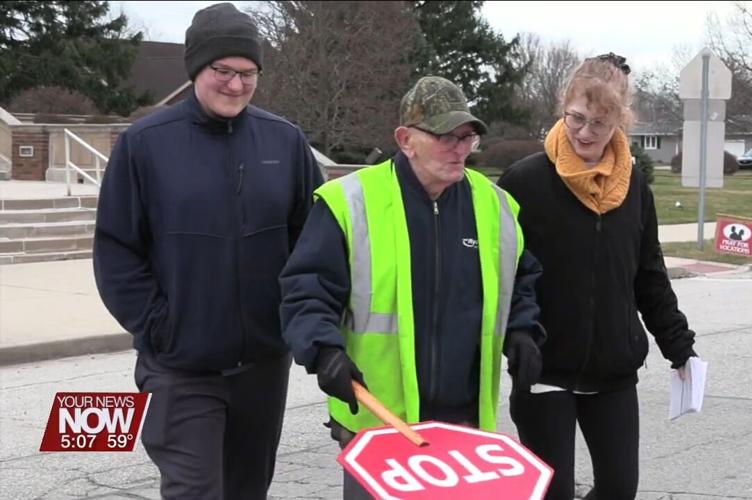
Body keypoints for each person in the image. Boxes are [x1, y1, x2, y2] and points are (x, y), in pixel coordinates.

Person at [92, 3, 324, 498]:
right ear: (197, 67)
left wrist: (292, 323)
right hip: (181, 367)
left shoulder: (285, 142)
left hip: (263, 366)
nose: (236, 85)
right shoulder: (144, 144)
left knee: (247, 490)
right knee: (194, 490)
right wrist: (161, 326)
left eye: (248, 73)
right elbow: (117, 250)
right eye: (223, 70)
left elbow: (312, 245)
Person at [279, 76, 544, 498]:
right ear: (406, 139)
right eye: (446, 136)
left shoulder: (495, 205)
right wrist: (323, 350)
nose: (460, 149)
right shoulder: (349, 202)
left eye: (468, 137)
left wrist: (522, 329)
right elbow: (306, 289)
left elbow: (522, 279)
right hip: (379, 425)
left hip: (463, 425)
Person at [497, 53, 698, 500]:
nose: (585, 133)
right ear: (563, 108)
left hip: (613, 369)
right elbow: (497, 274)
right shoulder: (524, 182)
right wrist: (515, 335)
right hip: (545, 365)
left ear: (620, 124)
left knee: (618, 489)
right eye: (577, 118)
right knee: (554, 494)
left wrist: (678, 346)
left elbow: (648, 275)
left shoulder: (633, 190)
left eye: (600, 124)